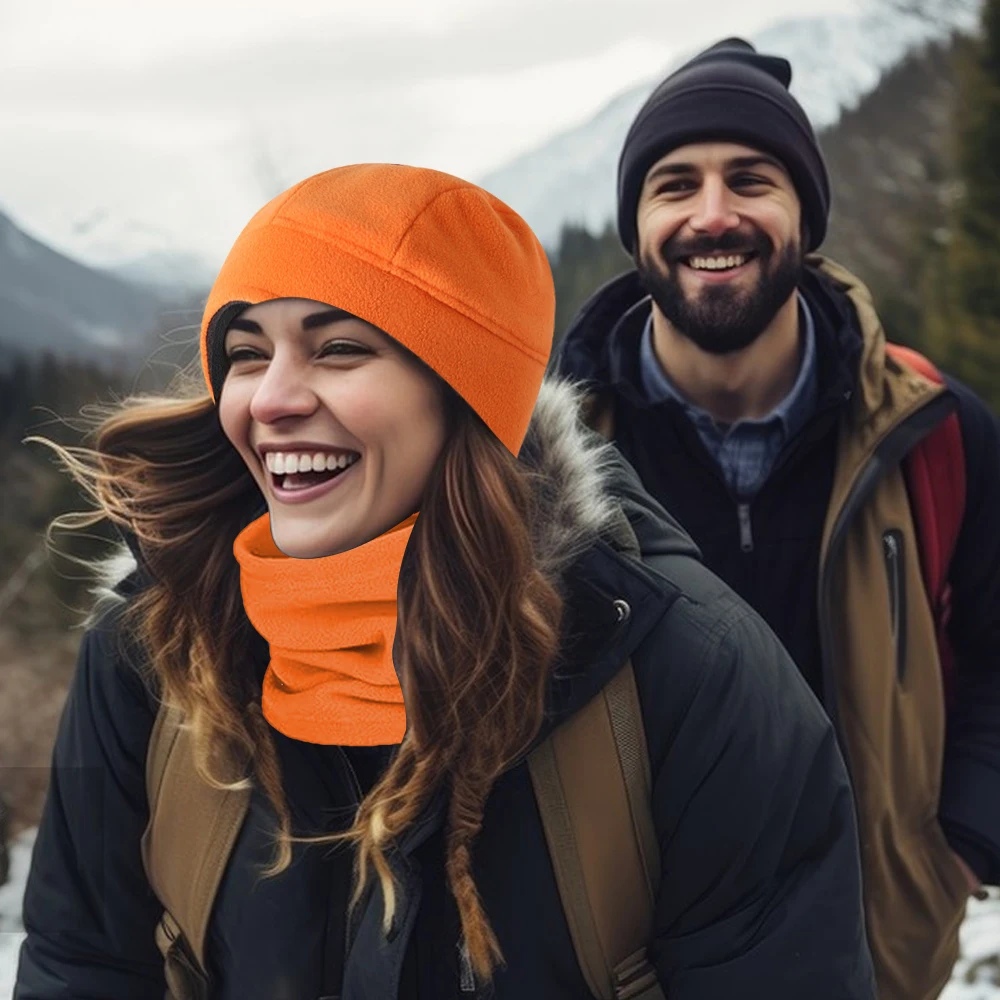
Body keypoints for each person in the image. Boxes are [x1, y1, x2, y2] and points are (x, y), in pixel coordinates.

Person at [15, 163, 874, 999]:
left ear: (466, 395)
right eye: (246, 353)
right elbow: (83, 960)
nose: (270, 399)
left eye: (340, 349)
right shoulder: (158, 648)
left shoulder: (682, 671)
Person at [555, 36, 1000, 1000]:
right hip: (635, 964)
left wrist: (955, 850)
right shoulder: (547, 457)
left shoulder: (937, 433)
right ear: (637, 226)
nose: (712, 215)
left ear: (807, 214)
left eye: (751, 178)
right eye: (674, 185)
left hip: (880, 946)